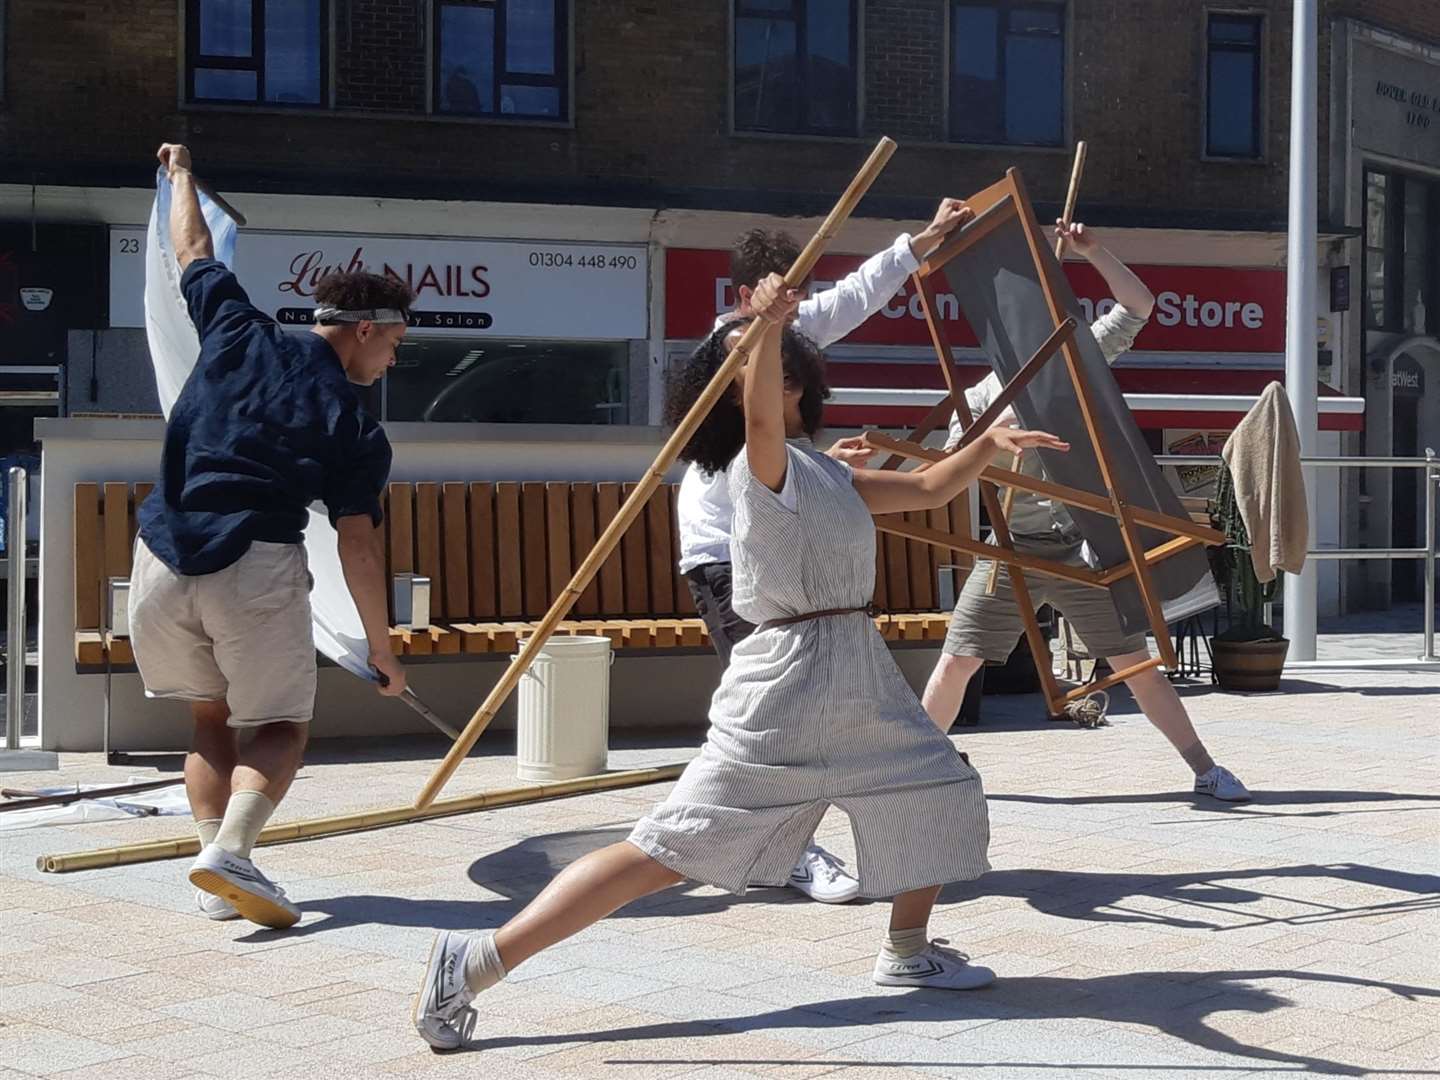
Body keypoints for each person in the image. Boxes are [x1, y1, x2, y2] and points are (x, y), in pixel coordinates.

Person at [412, 274, 1070, 1052]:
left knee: (937, 788)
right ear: (725, 390)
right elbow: (760, 412)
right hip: (787, 681)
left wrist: (987, 446)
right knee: (668, 849)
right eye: (750, 360)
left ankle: (907, 953)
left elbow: (929, 486)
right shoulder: (751, 464)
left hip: (854, 671)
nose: (772, 366)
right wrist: (760, 327)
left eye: (783, 356)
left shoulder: (822, 468)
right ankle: (475, 960)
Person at [129, 143, 410, 929]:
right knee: (281, 725)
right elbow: (358, 545)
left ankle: (212, 869)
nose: (391, 362)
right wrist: (380, 649)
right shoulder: (355, 426)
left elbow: (191, 248)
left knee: (209, 720)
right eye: (393, 345)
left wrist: (180, 175)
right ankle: (233, 853)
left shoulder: (235, 331)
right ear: (361, 329)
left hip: (160, 557)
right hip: (252, 565)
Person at [677, 200, 973, 902]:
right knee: (773, 718)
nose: (799, 304)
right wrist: (772, 324)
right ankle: (767, 842)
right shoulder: (735, 345)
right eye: (782, 289)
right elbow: (761, 383)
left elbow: (850, 297)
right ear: (750, 294)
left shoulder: (775, 341)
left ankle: (775, 841)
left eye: (798, 290)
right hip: (733, 556)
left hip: (770, 543)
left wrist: (921, 241)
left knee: (786, 717)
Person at [921, 220, 1250, 802]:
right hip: (1011, 554)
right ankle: (912, 769)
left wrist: (1092, 250)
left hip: (1078, 547)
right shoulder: (977, 397)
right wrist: (999, 432)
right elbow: (950, 465)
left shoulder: (1076, 359)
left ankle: (1205, 768)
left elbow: (1138, 304)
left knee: (1135, 664)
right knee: (958, 662)